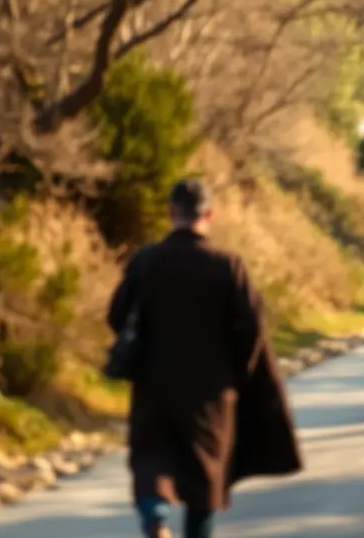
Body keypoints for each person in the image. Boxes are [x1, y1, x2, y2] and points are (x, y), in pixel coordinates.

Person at [107, 180, 303, 538]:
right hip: (212, 392)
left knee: (152, 461)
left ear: (170, 214)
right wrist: (238, 373)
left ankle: (156, 518)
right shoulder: (228, 265)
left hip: (155, 384)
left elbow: (116, 315)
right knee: (204, 478)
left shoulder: (146, 261)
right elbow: (252, 328)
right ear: (209, 215)